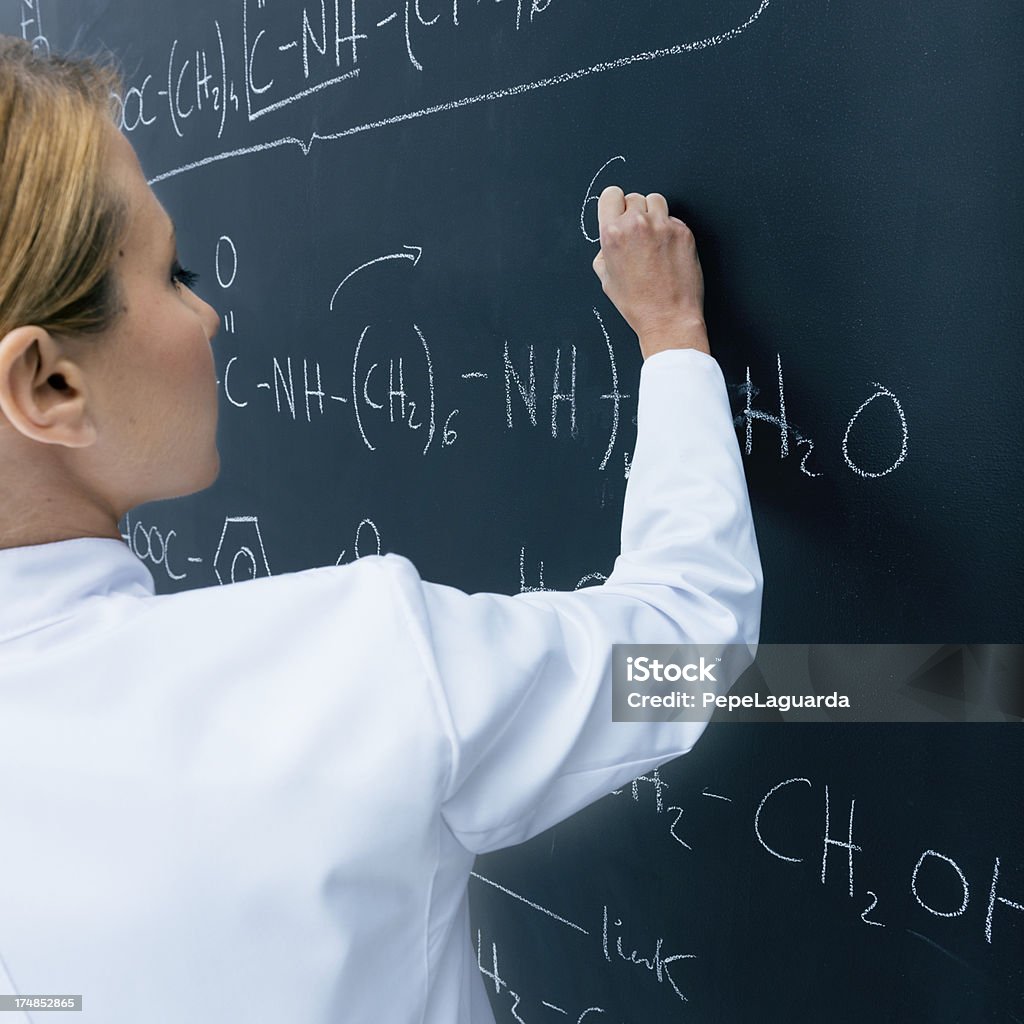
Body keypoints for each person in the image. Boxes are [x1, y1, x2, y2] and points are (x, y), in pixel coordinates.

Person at [0, 37, 762, 1024]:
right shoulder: (345, 675)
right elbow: (682, 644)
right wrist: (672, 342)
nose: (210, 314)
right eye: (171, 273)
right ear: (50, 385)